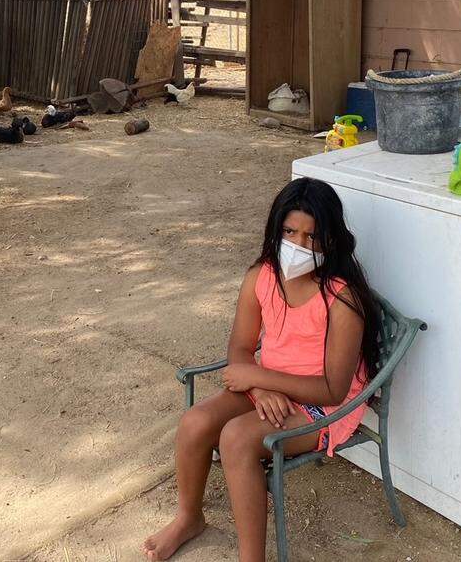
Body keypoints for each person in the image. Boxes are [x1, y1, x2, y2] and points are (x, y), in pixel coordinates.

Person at [143, 178, 382, 561]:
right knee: (195, 421)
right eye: (290, 232)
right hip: (268, 386)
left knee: (237, 438)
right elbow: (239, 348)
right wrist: (260, 389)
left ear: (332, 240)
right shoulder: (262, 276)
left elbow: (334, 389)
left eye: (312, 237)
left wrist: (258, 378)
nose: (299, 246)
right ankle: (188, 517)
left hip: (322, 405)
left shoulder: (342, 298)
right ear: (276, 228)